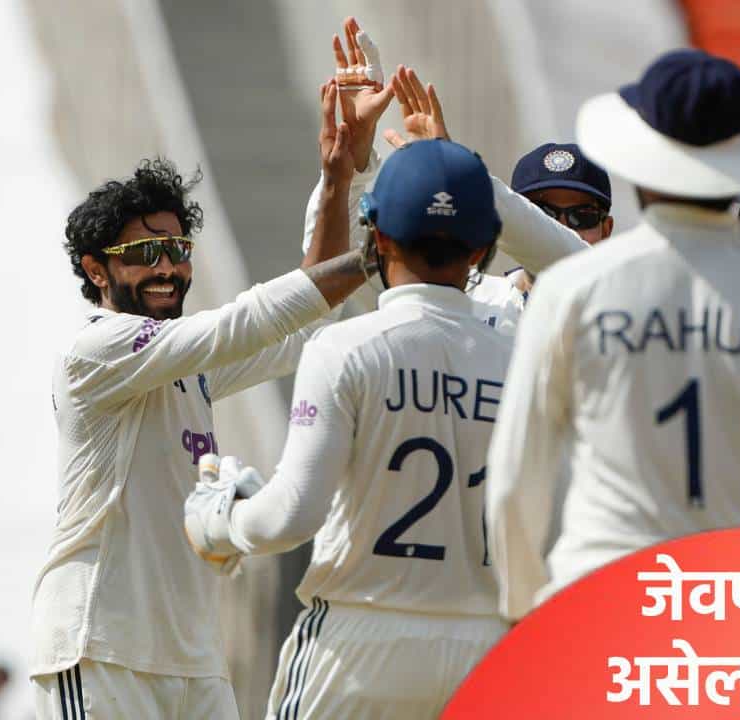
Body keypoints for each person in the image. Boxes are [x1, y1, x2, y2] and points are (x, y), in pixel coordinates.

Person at [484, 49, 740, 622]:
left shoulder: (573, 289)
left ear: (640, 161)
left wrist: (525, 611)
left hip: (596, 600)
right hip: (734, 612)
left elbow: (516, 479)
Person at [28, 80, 371, 719]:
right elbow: (249, 320)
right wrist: (377, 255)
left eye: (177, 250)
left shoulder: (189, 365)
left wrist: (338, 177)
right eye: (143, 253)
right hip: (103, 650)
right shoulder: (95, 351)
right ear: (96, 269)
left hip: (194, 659)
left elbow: (308, 320)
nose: (167, 268)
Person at [184, 139, 514, 719]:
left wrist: (220, 519)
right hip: (490, 651)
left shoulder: (346, 347)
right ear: (483, 248)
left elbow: (291, 517)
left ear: (377, 236)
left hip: (359, 645)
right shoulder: (523, 360)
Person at [301, 24, 588, 334]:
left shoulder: (611, 307)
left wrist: (459, 175)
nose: (563, 225)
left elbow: (574, 264)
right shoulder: (455, 294)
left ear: (608, 227)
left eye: (583, 215)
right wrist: (352, 164)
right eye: (544, 213)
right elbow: (330, 268)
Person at [502, 141, 615, 295]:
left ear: (606, 231)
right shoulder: (479, 300)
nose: (562, 228)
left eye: (581, 216)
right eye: (542, 213)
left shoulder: (630, 306)